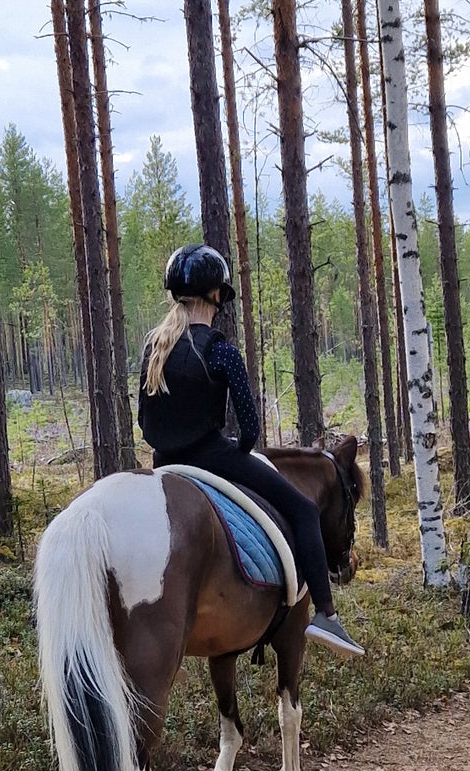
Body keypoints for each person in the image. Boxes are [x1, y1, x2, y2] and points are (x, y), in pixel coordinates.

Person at [138, 242, 364, 658]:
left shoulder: (154, 347)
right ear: (217, 296)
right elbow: (250, 428)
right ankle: (327, 616)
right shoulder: (221, 351)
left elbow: (144, 422)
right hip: (211, 457)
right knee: (304, 510)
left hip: (163, 465)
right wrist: (235, 450)